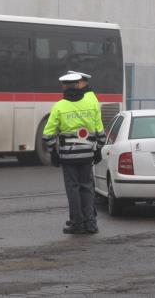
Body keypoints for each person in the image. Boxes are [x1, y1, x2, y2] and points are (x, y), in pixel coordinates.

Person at [42, 71, 105, 234]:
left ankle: (77, 223)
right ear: (78, 85)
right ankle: (91, 224)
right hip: (87, 155)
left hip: (68, 157)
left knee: (73, 189)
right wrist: (98, 149)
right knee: (87, 188)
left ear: (64, 87)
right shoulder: (91, 104)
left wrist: (53, 153)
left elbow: (47, 135)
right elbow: (100, 132)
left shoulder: (59, 106)